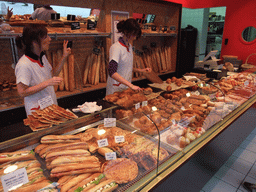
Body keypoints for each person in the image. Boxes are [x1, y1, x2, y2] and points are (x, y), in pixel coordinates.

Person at [15, 24, 71, 116]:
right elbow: (22, 92)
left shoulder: (42, 57)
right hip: (37, 113)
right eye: (45, 37)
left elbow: (52, 74)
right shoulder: (24, 64)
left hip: (51, 107)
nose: (50, 39)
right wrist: (47, 83)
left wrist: (64, 56)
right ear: (34, 42)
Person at [106, 18, 152, 95]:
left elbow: (125, 66)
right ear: (126, 31)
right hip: (115, 90)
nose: (135, 37)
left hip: (126, 88)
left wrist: (141, 70)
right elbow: (112, 72)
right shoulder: (116, 48)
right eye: (134, 34)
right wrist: (131, 85)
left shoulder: (129, 46)